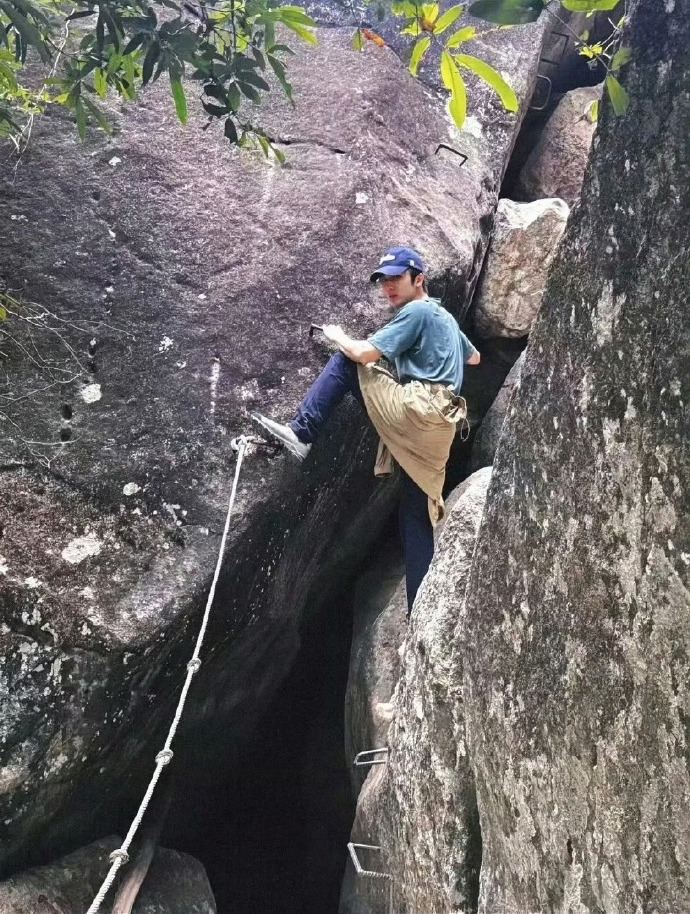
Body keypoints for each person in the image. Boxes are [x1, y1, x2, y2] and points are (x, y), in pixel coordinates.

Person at [252, 246, 480, 613]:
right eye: (384, 280)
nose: (389, 287)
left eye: (396, 279)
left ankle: (302, 432)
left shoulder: (417, 309)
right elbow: (475, 357)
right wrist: (435, 353)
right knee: (415, 515)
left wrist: (336, 333)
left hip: (418, 410)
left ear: (418, 279)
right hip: (441, 428)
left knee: (346, 362)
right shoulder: (445, 318)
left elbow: (363, 354)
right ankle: (418, 612)